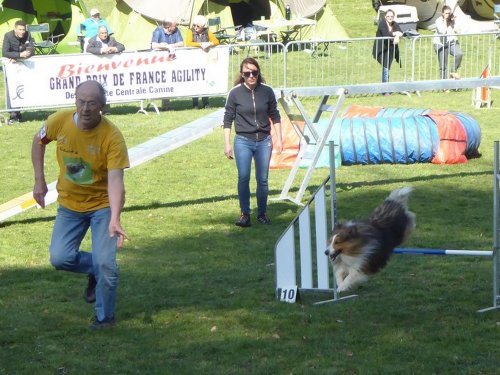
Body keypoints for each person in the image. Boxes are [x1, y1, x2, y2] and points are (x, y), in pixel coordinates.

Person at [31, 80, 129, 330]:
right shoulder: (59, 121)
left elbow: (116, 180)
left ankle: (104, 319)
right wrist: (39, 180)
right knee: (60, 258)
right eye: (81, 102)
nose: (85, 108)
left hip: (102, 206)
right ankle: (93, 270)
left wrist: (115, 218)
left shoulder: (112, 137)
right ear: (75, 100)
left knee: (106, 264)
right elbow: (38, 140)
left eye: (92, 103)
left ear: (102, 107)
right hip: (69, 205)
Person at [223, 57, 283, 227]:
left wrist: (279, 139)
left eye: (254, 72)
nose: (251, 76)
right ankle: (245, 214)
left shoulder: (267, 91)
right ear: (242, 74)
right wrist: (227, 144)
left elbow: (275, 115)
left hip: (264, 140)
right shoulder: (235, 93)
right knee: (243, 177)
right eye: (247, 73)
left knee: (262, 179)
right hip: (243, 140)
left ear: (258, 73)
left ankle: (262, 213)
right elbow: (227, 119)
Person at [2, 20, 35, 124]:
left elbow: (32, 50)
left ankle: (18, 112)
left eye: (23, 29)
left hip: (24, 65)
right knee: (11, 88)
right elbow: (4, 52)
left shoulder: (28, 35)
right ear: (15, 29)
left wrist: (26, 54)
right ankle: (13, 113)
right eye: (20, 29)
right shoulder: (8, 36)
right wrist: (18, 55)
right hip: (11, 65)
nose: (22, 32)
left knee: (22, 87)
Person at [186, 15, 220, 109]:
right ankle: (195, 104)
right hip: (194, 60)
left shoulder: (207, 32)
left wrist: (210, 43)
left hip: (205, 61)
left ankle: (206, 102)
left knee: (205, 80)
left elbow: (216, 41)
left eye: (198, 26)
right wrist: (201, 44)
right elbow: (188, 43)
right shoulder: (190, 31)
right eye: (194, 25)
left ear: (203, 27)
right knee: (195, 81)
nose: (195, 27)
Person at [151, 18, 184, 111]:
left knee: (170, 79)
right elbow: (154, 45)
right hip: (159, 61)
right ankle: (161, 103)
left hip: (172, 60)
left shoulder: (176, 31)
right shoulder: (158, 31)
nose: (176, 27)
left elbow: (181, 43)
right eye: (174, 25)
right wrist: (165, 46)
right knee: (162, 80)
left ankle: (167, 104)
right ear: (169, 27)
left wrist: (172, 45)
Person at [372, 9, 403, 93]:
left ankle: (385, 87)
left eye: (391, 16)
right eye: (388, 16)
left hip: (390, 49)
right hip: (381, 49)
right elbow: (386, 34)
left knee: (387, 67)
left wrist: (397, 35)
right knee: (385, 67)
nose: (390, 18)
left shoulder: (394, 23)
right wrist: (395, 34)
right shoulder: (382, 23)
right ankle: (385, 90)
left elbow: (401, 32)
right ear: (385, 17)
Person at [433, 5, 463, 80]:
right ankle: (444, 86)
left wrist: (454, 21)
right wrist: (446, 21)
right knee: (443, 66)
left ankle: (453, 71)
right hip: (440, 44)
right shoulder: (438, 21)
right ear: (442, 13)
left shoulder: (452, 20)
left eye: (449, 13)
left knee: (459, 54)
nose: (448, 15)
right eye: (446, 13)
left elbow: (458, 30)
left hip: (451, 42)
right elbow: (443, 31)